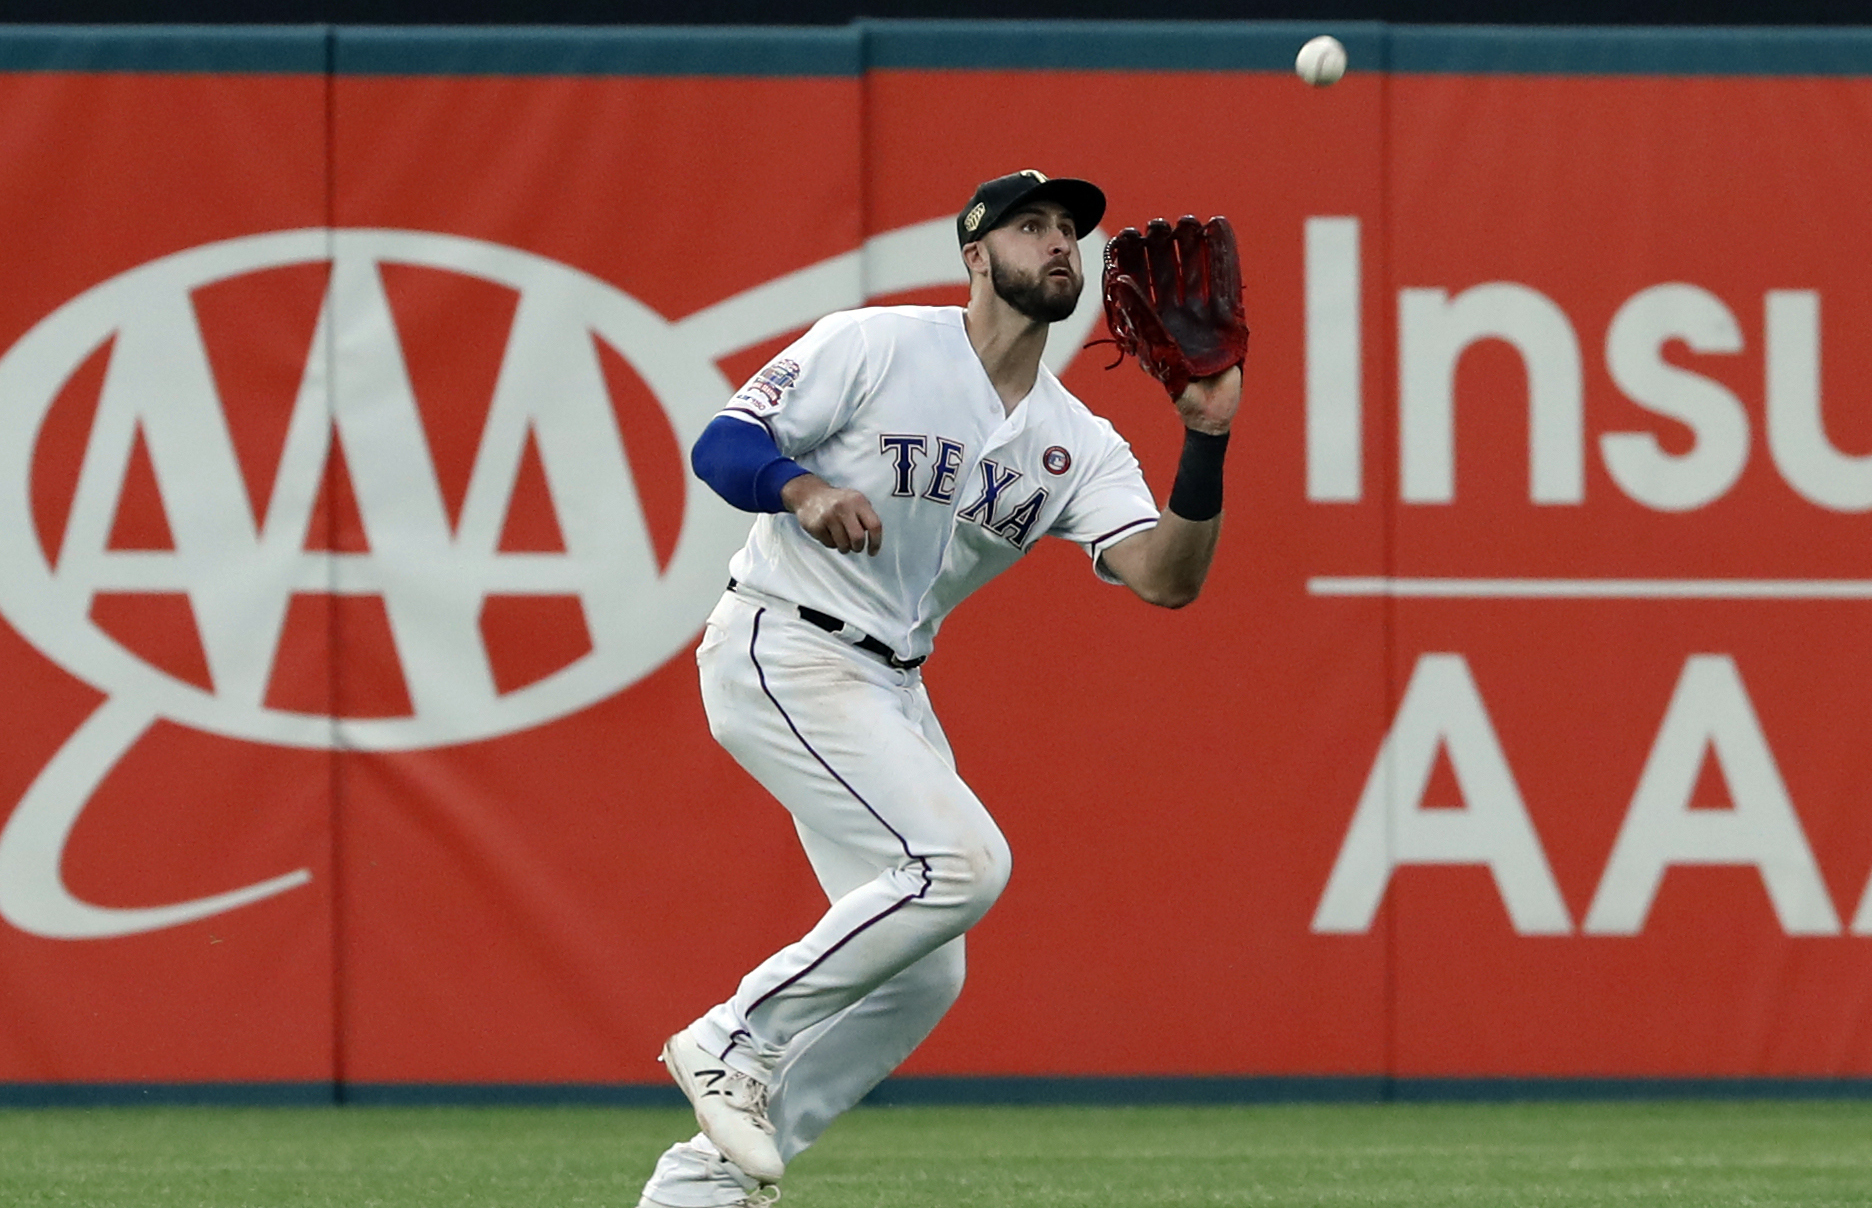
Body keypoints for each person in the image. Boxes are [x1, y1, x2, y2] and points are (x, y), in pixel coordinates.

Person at [637, 169, 1242, 1208]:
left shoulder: (1076, 439)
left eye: (1069, 230)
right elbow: (723, 441)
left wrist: (1208, 431)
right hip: (783, 642)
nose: (1058, 243)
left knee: (926, 968)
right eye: (1030, 226)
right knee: (962, 863)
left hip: (888, 682)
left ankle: (705, 1182)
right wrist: (805, 486)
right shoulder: (873, 345)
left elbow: (1168, 577)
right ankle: (734, 1033)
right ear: (975, 256)